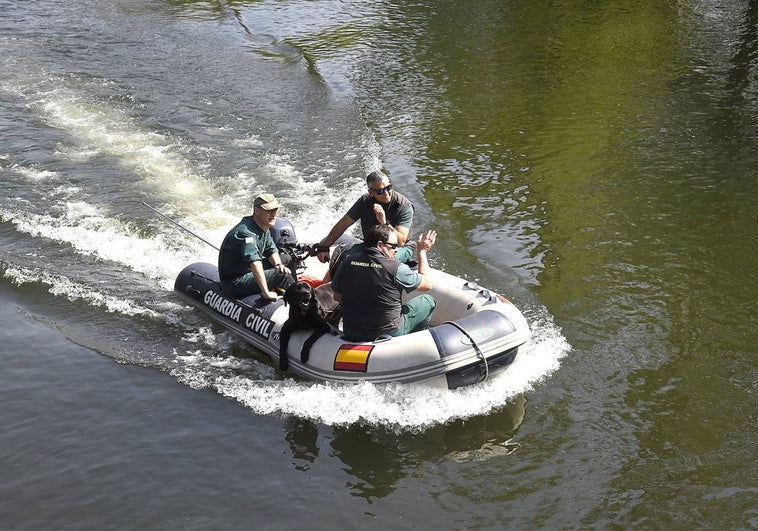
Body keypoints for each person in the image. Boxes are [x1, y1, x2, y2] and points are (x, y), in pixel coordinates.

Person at [331, 224, 437, 342]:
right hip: (388, 332)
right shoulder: (396, 268)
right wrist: (422, 251)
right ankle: (413, 344)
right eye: (393, 246)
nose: (396, 249)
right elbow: (427, 284)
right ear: (380, 245)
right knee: (428, 301)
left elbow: (337, 297)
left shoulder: (347, 262)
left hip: (351, 331)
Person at [316, 170, 415, 269]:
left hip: (397, 248)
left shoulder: (404, 206)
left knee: (382, 263)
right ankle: (332, 283)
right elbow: (343, 224)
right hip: (371, 246)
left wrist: (384, 222)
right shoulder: (364, 201)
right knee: (343, 258)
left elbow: (401, 241)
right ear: (371, 193)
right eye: (380, 191)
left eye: (388, 188)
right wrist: (324, 247)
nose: (386, 194)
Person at [218, 193, 294, 300]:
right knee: (281, 274)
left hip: (247, 272)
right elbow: (255, 263)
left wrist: (278, 264)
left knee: (286, 259)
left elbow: (270, 249)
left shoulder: (263, 227)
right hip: (235, 282)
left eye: (275, 210)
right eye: (269, 210)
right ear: (257, 211)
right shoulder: (246, 233)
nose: (273, 214)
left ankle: (294, 289)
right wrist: (266, 292)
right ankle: (298, 299)